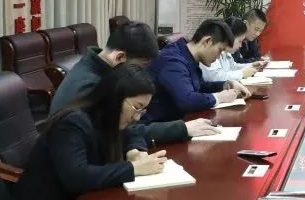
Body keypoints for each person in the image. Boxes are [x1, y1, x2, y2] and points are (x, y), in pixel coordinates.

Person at [10, 64, 169, 200]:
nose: (137, 117)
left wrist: (135, 151)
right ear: (115, 96)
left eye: (142, 110)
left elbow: (132, 131)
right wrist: (133, 168)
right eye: (137, 108)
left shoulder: (109, 116)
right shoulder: (72, 123)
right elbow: (77, 177)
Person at [50, 20, 218, 145]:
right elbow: (118, 135)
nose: (143, 73)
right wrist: (182, 129)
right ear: (120, 57)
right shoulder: (91, 85)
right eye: (142, 66)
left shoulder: (102, 69)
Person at [143, 19, 250, 123]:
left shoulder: (187, 55)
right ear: (207, 41)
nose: (218, 57)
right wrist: (219, 97)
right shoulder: (173, 61)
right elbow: (187, 100)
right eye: (219, 50)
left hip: (180, 121)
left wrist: (226, 84)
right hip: (160, 126)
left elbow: (199, 87)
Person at [202, 17, 265, 82]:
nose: (240, 46)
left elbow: (233, 67)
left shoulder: (226, 52)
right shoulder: (211, 51)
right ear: (230, 37)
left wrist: (251, 65)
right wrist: (242, 74)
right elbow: (216, 77)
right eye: (240, 41)